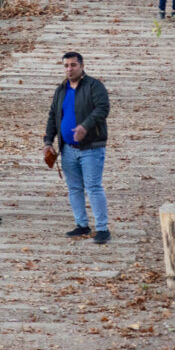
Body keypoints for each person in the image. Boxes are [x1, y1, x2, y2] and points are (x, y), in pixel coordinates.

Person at [44, 52, 111, 244]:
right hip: (68, 149)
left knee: (93, 187)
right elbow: (53, 116)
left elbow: (102, 109)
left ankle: (102, 228)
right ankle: (81, 224)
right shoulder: (61, 90)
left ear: (81, 66)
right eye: (66, 66)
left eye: (73, 65)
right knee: (74, 188)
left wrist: (85, 126)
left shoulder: (94, 86)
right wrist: (48, 141)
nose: (69, 69)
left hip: (91, 147)